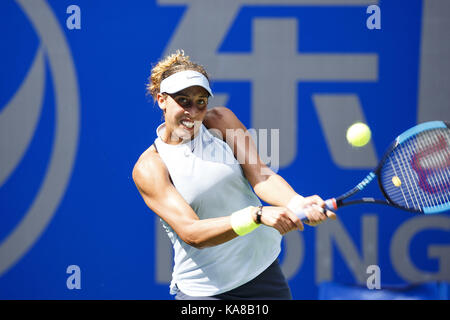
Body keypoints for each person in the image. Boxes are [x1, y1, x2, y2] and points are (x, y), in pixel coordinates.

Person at [132, 50, 336, 300]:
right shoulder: (151, 167)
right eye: (183, 100)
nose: (193, 112)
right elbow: (192, 232)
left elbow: (261, 176)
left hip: (264, 275)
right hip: (206, 294)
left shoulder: (221, 121)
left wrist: (297, 202)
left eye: (201, 101)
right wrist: (256, 215)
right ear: (162, 100)